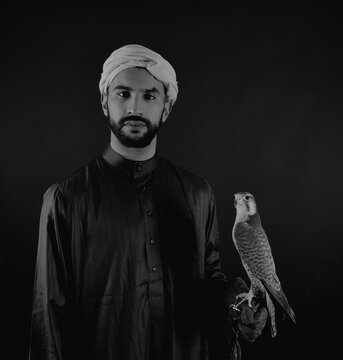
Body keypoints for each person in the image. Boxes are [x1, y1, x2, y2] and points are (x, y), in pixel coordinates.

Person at [29, 44, 268, 360]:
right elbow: (48, 316)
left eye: (150, 96)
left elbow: (208, 282)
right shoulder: (66, 200)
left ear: (166, 108)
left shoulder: (197, 193)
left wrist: (235, 302)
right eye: (123, 94)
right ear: (105, 102)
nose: (135, 107)